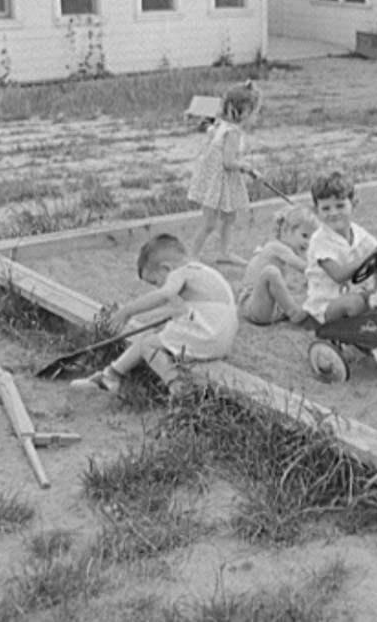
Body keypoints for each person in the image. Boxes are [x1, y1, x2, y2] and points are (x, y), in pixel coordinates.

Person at [70, 234, 238, 396]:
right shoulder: (204, 270)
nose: (157, 287)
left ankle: (178, 386)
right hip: (223, 339)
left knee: (148, 345)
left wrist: (127, 311)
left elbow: (164, 296)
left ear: (166, 268)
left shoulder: (179, 273)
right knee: (156, 333)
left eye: (154, 282)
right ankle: (110, 375)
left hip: (209, 336)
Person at [302, 169, 377, 370]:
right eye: (326, 208)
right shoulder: (320, 241)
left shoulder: (359, 234)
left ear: (353, 204)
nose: (334, 213)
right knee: (356, 303)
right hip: (327, 306)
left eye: (340, 205)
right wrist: (367, 256)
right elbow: (339, 274)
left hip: (358, 293)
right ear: (316, 211)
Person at [187, 80, 262, 266]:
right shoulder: (233, 133)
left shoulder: (223, 125)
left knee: (229, 216)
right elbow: (229, 162)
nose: (256, 118)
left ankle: (225, 252)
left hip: (223, 181)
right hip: (219, 181)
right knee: (210, 222)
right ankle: (192, 257)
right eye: (255, 113)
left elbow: (211, 135)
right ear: (244, 112)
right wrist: (248, 168)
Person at [238, 205, 319, 325]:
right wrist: (324, 270)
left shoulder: (281, 250)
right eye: (304, 236)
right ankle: (294, 313)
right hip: (252, 305)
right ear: (286, 230)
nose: (307, 243)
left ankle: (292, 309)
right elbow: (302, 266)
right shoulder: (276, 247)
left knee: (298, 292)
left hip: (267, 306)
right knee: (271, 272)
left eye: (311, 239)